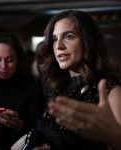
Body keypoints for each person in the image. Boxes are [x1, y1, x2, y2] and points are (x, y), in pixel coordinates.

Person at [20, 10, 121, 150]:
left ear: (88, 41)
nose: (58, 46)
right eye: (54, 39)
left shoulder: (110, 90)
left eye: (68, 36)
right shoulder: (58, 87)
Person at [0, 33, 45, 150]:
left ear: (18, 60)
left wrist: (19, 125)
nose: (3, 66)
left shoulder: (32, 88)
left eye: (9, 60)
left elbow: (41, 132)